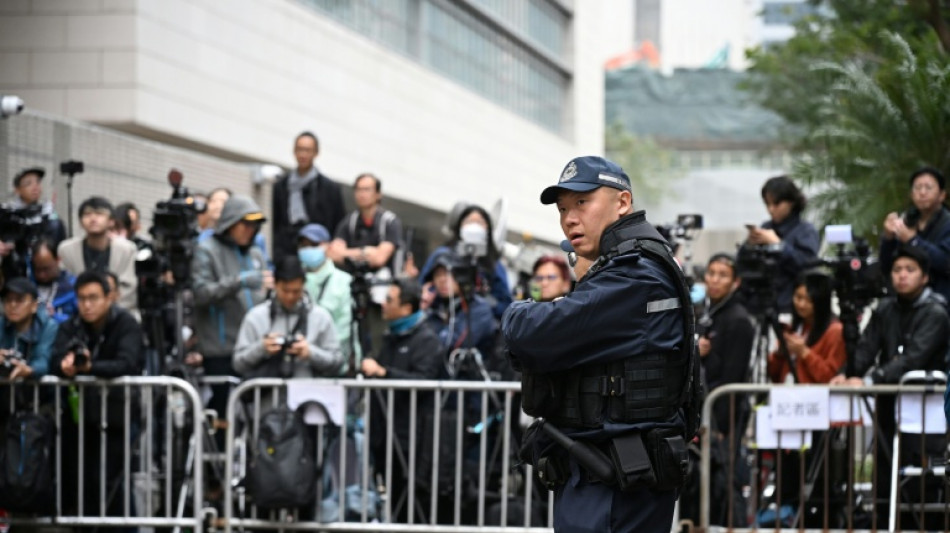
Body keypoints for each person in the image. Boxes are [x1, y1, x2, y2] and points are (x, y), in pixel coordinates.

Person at [502, 156, 695, 533]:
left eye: (582, 203)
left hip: (614, 482)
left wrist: (516, 311)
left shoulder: (635, 272)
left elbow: (532, 335)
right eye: (562, 209)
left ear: (622, 203)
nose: (569, 218)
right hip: (604, 472)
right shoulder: (621, 266)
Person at [830, 245, 949, 526]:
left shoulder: (936, 312)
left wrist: (871, 379)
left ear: (925, 277)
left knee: (922, 476)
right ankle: (884, 522)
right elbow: (866, 348)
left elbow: (912, 359)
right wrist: (846, 373)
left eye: (910, 270)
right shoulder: (885, 309)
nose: (902, 276)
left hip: (924, 411)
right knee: (884, 472)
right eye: (897, 270)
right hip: (888, 406)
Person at [49, 270, 144, 517]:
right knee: (80, 483)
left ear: (108, 297)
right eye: (81, 299)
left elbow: (128, 362)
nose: (87, 305)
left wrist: (91, 368)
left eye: (93, 298)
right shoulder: (72, 325)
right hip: (79, 418)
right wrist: (64, 366)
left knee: (114, 484)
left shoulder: (125, 323)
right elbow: (54, 358)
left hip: (116, 416)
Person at [361, 277, 442, 519]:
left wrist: (384, 373)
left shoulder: (426, 339)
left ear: (407, 307)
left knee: (411, 505)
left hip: (411, 440)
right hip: (384, 435)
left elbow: (425, 381)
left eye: (389, 300)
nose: (383, 304)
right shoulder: (391, 336)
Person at [687, 253, 754, 527]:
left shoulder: (738, 320)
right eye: (711, 273)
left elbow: (732, 375)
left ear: (735, 282)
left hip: (724, 415)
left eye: (722, 275)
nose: (715, 280)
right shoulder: (705, 313)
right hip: (705, 413)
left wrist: (721, 425)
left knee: (725, 481)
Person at [192, 196, 273, 418]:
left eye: (255, 225)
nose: (250, 229)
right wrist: (238, 281)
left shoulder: (255, 253)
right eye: (245, 223)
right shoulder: (206, 250)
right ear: (230, 222)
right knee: (222, 408)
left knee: (255, 408)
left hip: (254, 346)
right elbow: (200, 294)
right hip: (220, 348)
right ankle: (219, 451)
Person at [328, 173, 403, 356]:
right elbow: (332, 253)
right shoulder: (349, 222)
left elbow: (380, 259)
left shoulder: (389, 222)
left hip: (382, 295)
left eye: (367, 189)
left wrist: (349, 254)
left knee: (379, 343)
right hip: (353, 291)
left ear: (378, 194)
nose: (362, 194)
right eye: (358, 189)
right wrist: (366, 252)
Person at [233, 256, 341, 378]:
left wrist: (310, 353)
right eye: (285, 290)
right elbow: (238, 364)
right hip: (267, 395)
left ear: (304, 285)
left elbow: (338, 363)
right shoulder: (255, 317)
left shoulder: (320, 317)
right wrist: (262, 348)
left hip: (308, 394)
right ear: (275, 284)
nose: (290, 297)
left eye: (296, 291)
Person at [418, 204, 512, 320]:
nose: (474, 226)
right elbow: (423, 289)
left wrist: (484, 300)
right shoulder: (443, 255)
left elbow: (505, 306)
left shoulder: (494, 264)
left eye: (479, 222)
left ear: (487, 228)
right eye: (468, 221)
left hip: (480, 323)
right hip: (442, 320)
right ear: (459, 226)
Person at [741, 175, 819, 314]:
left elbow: (807, 265)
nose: (771, 209)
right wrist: (749, 245)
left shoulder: (805, 230)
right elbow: (743, 265)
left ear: (791, 202)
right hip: (759, 303)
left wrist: (778, 244)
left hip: (789, 305)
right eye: (767, 204)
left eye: (776, 204)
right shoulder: (766, 227)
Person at [272, 131, 346, 262]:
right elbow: (276, 222)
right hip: (286, 252)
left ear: (316, 153)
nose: (303, 154)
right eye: (299, 149)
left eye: (307, 150)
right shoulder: (281, 186)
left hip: (318, 252)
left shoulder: (330, 188)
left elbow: (339, 223)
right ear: (294, 151)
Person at [880, 166, 950, 303]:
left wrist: (913, 240)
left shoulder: (947, 223)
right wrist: (888, 238)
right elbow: (887, 265)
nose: (922, 193)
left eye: (928, 188)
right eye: (917, 188)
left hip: (942, 304)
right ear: (912, 195)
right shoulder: (906, 221)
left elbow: (946, 262)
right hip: (905, 304)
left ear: (942, 195)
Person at [57, 196, 138, 313]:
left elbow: (128, 289)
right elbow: (65, 285)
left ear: (111, 221)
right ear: (80, 222)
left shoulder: (127, 249)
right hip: (78, 310)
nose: (93, 219)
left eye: (100, 214)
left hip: (117, 312)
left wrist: (103, 307)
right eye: (87, 214)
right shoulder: (66, 249)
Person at [297, 224, 358, 371]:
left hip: (337, 366)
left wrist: (319, 355)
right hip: (301, 365)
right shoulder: (294, 281)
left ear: (328, 247)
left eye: (314, 245)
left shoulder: (344, 281)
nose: (308, 249)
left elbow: (345, 331)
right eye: (303, 245)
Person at [767, 271, 846, 384]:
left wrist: (804, 353)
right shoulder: (792, 326)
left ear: (820, 301)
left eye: (809, 300)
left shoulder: (835, 331)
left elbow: (830, 378)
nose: (801, 304)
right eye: (798, 297)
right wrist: (779, 353)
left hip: (814, 398)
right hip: (786, 395)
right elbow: (773, 376)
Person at [423, 251, 497, 365]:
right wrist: (421, 309)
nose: (442, 280)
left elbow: (454, 344)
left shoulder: (479, 308)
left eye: (448, 274)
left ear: (462, 277)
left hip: (469, 378)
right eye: (438, 274)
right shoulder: (434, 309)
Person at [0, 277, 57, 380]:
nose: (13, 305)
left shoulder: (48, 326)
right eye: (8, 300)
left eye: (20, 300)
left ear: (34, 306)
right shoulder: (1, 323)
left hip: (39, 391)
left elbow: (43, 361)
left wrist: (29, 369)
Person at [198, 187, 270, 266]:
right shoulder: (203, 241)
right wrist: (241, 278)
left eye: (223, 201)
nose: (217, 205)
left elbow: (267, 268)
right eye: (213, 201)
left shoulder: (256, 247)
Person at [30, 237, 77, 323]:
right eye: (37, 270)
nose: (42, 275)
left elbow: (80, 321)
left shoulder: (73, 286)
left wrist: (55, 316)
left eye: (46, 269)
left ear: (58, 260)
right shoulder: (28, 288)